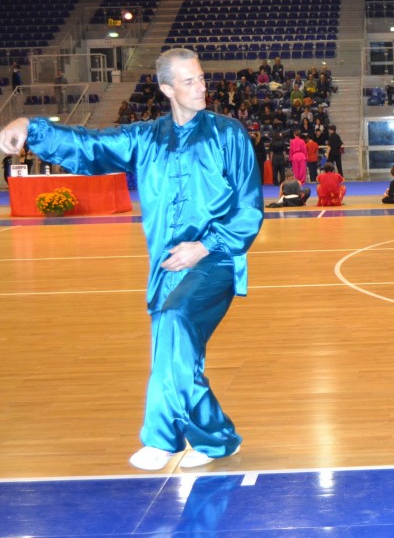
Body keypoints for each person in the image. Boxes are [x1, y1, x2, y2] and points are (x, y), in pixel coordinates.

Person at [0, 47, 264, 470]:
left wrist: (205, 245)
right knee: (175, 352)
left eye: (201, 77)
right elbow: (90, 147)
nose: (202, 87)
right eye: (190, 80)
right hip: (165, 270)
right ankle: (217, 439)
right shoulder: (145, 138)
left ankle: (161, 439)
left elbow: (250, 208)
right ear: (166, 88)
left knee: (176, 323)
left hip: (216, 260)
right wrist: (30, 127)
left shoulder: (228, 134)